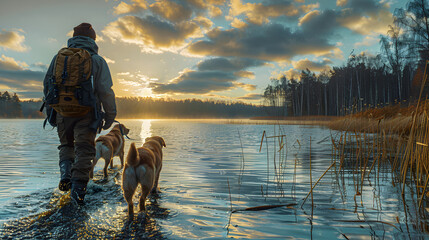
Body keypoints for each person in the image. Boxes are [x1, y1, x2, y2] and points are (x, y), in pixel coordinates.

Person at [43, 23, 116, 205]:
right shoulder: (97, 60)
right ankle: (77, 196)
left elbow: (47, 86)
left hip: (62, 113)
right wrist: (110, 115)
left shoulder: (58, 57)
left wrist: (53, 112)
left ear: (74, 37)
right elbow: (105, 90)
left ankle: (66, 174)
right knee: (84, 151)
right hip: (87, 113)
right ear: (93, 39)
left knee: (66, 146)